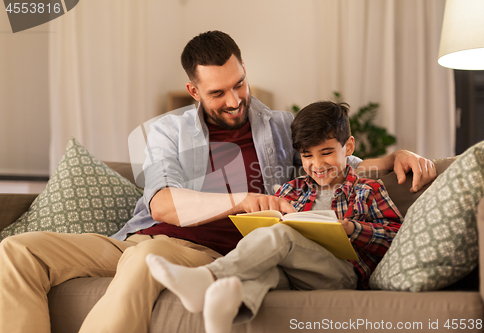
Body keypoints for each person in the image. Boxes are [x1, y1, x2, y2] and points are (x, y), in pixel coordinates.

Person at [0, 31, 434, 333]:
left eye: (239, 84)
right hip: (134, 238)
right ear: (193, 91)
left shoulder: (280, 127)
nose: (234, 100)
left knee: (149, 256)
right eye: (217, 93)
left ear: (245, 70)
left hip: (197, 250)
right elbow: (162, 206)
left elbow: (334, 161)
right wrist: (243, 199)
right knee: (16, 251)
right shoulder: (166, 132)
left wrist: (394, 156)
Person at [146, 100, 404, 333]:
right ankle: (221, 314)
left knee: (282, 235)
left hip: (341, 274)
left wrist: (352, 229)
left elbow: (397, 237)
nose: (317, 164)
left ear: (348, 146)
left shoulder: (366, 189)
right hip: (295, 274)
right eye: (307, 156)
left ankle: (207, 277)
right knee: (262, 271)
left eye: (326, 153)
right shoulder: (290, 190)